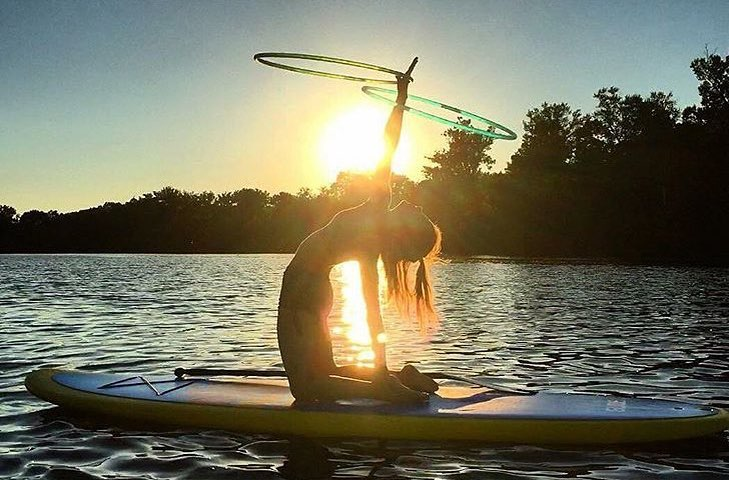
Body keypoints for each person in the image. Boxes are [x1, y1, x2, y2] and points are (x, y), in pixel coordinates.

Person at [277, 57, 441, 403]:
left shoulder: (376, 215)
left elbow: (387, 148)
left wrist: (401, 99)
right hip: (318, 289)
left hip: (301, 288)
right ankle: (397, 378)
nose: (415, 205)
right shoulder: (377, 239)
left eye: (416, 213)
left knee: (308, 389)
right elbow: (389, 146)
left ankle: (387, 386)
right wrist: (400, 100)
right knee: (326, 373)